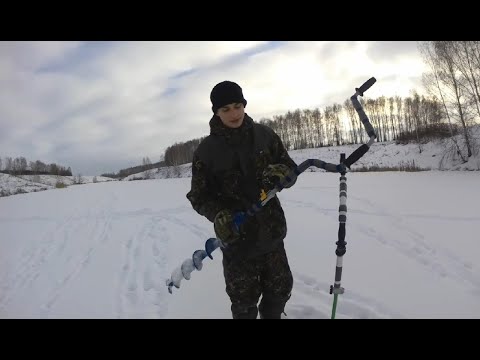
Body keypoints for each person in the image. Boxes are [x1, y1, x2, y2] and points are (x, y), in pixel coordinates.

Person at [186, 80, 297, 319]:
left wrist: (283, 173)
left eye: (237, 106)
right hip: (237, 242)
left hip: (272, 234)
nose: (234, 113)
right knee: (244, 303)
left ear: (244, 105)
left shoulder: (265, 136)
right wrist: (218, 215)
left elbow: (290, 168)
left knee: (280, 292)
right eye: (226, 109)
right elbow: (198, 196)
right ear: (216, 112)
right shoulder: (206, 152)